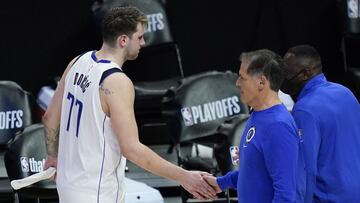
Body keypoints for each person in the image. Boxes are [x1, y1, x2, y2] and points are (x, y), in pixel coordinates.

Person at [42, 6, 217, 202]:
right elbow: (131, 148)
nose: (143, 42)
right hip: (96, 191)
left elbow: (49, 117)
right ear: (123, 40)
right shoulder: (116, 81)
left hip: (67, 186)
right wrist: (184, 176)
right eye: (140, 37)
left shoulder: (76, 62)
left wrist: (53, 156)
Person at [204, 49, 305, 202]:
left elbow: (285, 195)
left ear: (261, 82)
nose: (237, 83)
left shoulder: (278, 126)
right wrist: (220, 183)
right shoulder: (258, 115)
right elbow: (254, 172)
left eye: (242, 78)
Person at [281, 44, 360, 202]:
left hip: (328, 198)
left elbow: (306, 170)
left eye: (287, 72)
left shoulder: (304, 110)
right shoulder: (345, 93)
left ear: (305, 74)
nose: (283, 78)